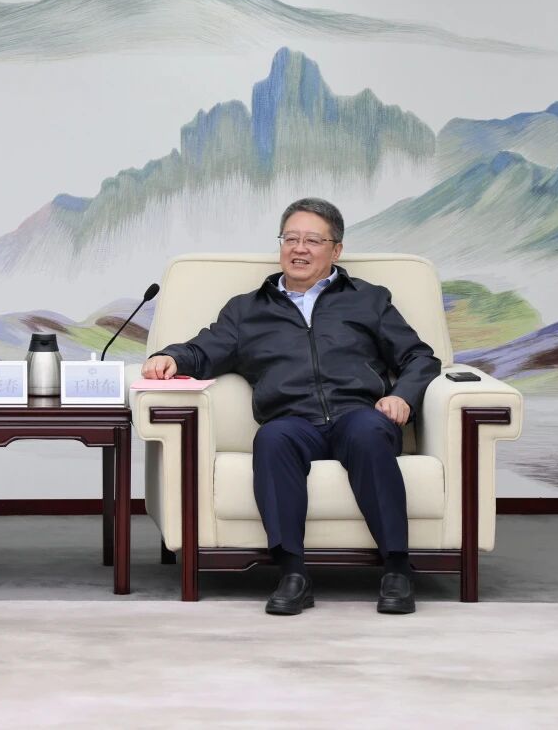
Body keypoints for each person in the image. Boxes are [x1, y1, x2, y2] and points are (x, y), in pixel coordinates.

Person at [141, 197, 439, 615]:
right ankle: (293, 574)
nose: (299, 249)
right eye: (290, 239)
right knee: (272, 439)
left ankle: (397, 569)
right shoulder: (247, 310)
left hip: (358, 415)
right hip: (292, 420)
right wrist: (171, 357)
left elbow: (419, 357)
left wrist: (401, 396)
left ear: (336, 250)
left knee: (370, 434)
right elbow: (205, 349)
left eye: (313, 240)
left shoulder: (368, 300)